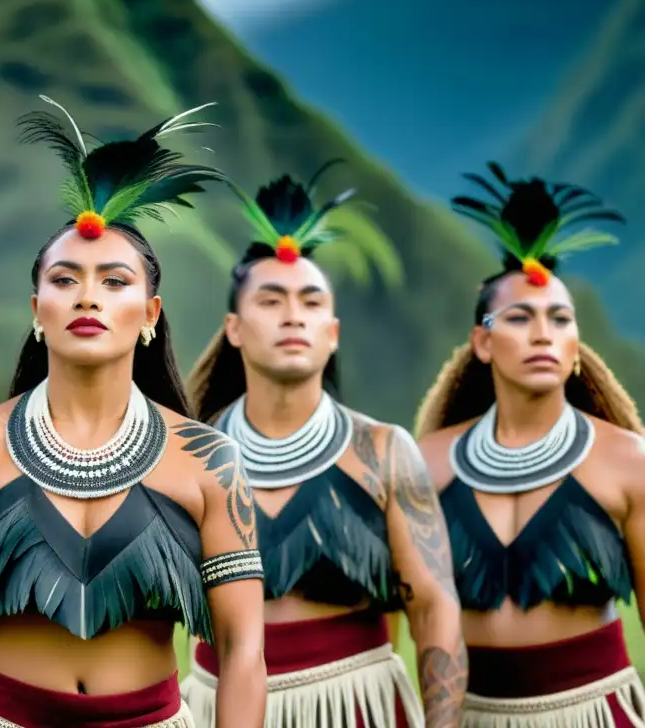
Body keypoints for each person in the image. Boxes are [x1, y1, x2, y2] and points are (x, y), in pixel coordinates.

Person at [0, 95, 267, 728]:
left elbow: (243, 650)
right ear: (37, 309)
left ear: (150, 315)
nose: (87, 295)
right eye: (64, 280)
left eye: (114, 282)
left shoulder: (208, 462)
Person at [180, 170, 467, 728]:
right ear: (234, 329)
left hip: (358, 704)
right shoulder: (189, 456)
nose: (293, 315)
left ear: (331, 332)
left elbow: (433, 606)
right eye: (272, 299)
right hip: (217, 706)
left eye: (311, 302)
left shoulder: (383, 453)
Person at [414, 162, 645, 728]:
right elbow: (414, 618)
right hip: (471, 716)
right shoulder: (427, 463)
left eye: (560, 318)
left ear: (574, 344)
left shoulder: (628, 461)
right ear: (483, 342)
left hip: (596, 712)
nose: (543, 332)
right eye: (520, 317)